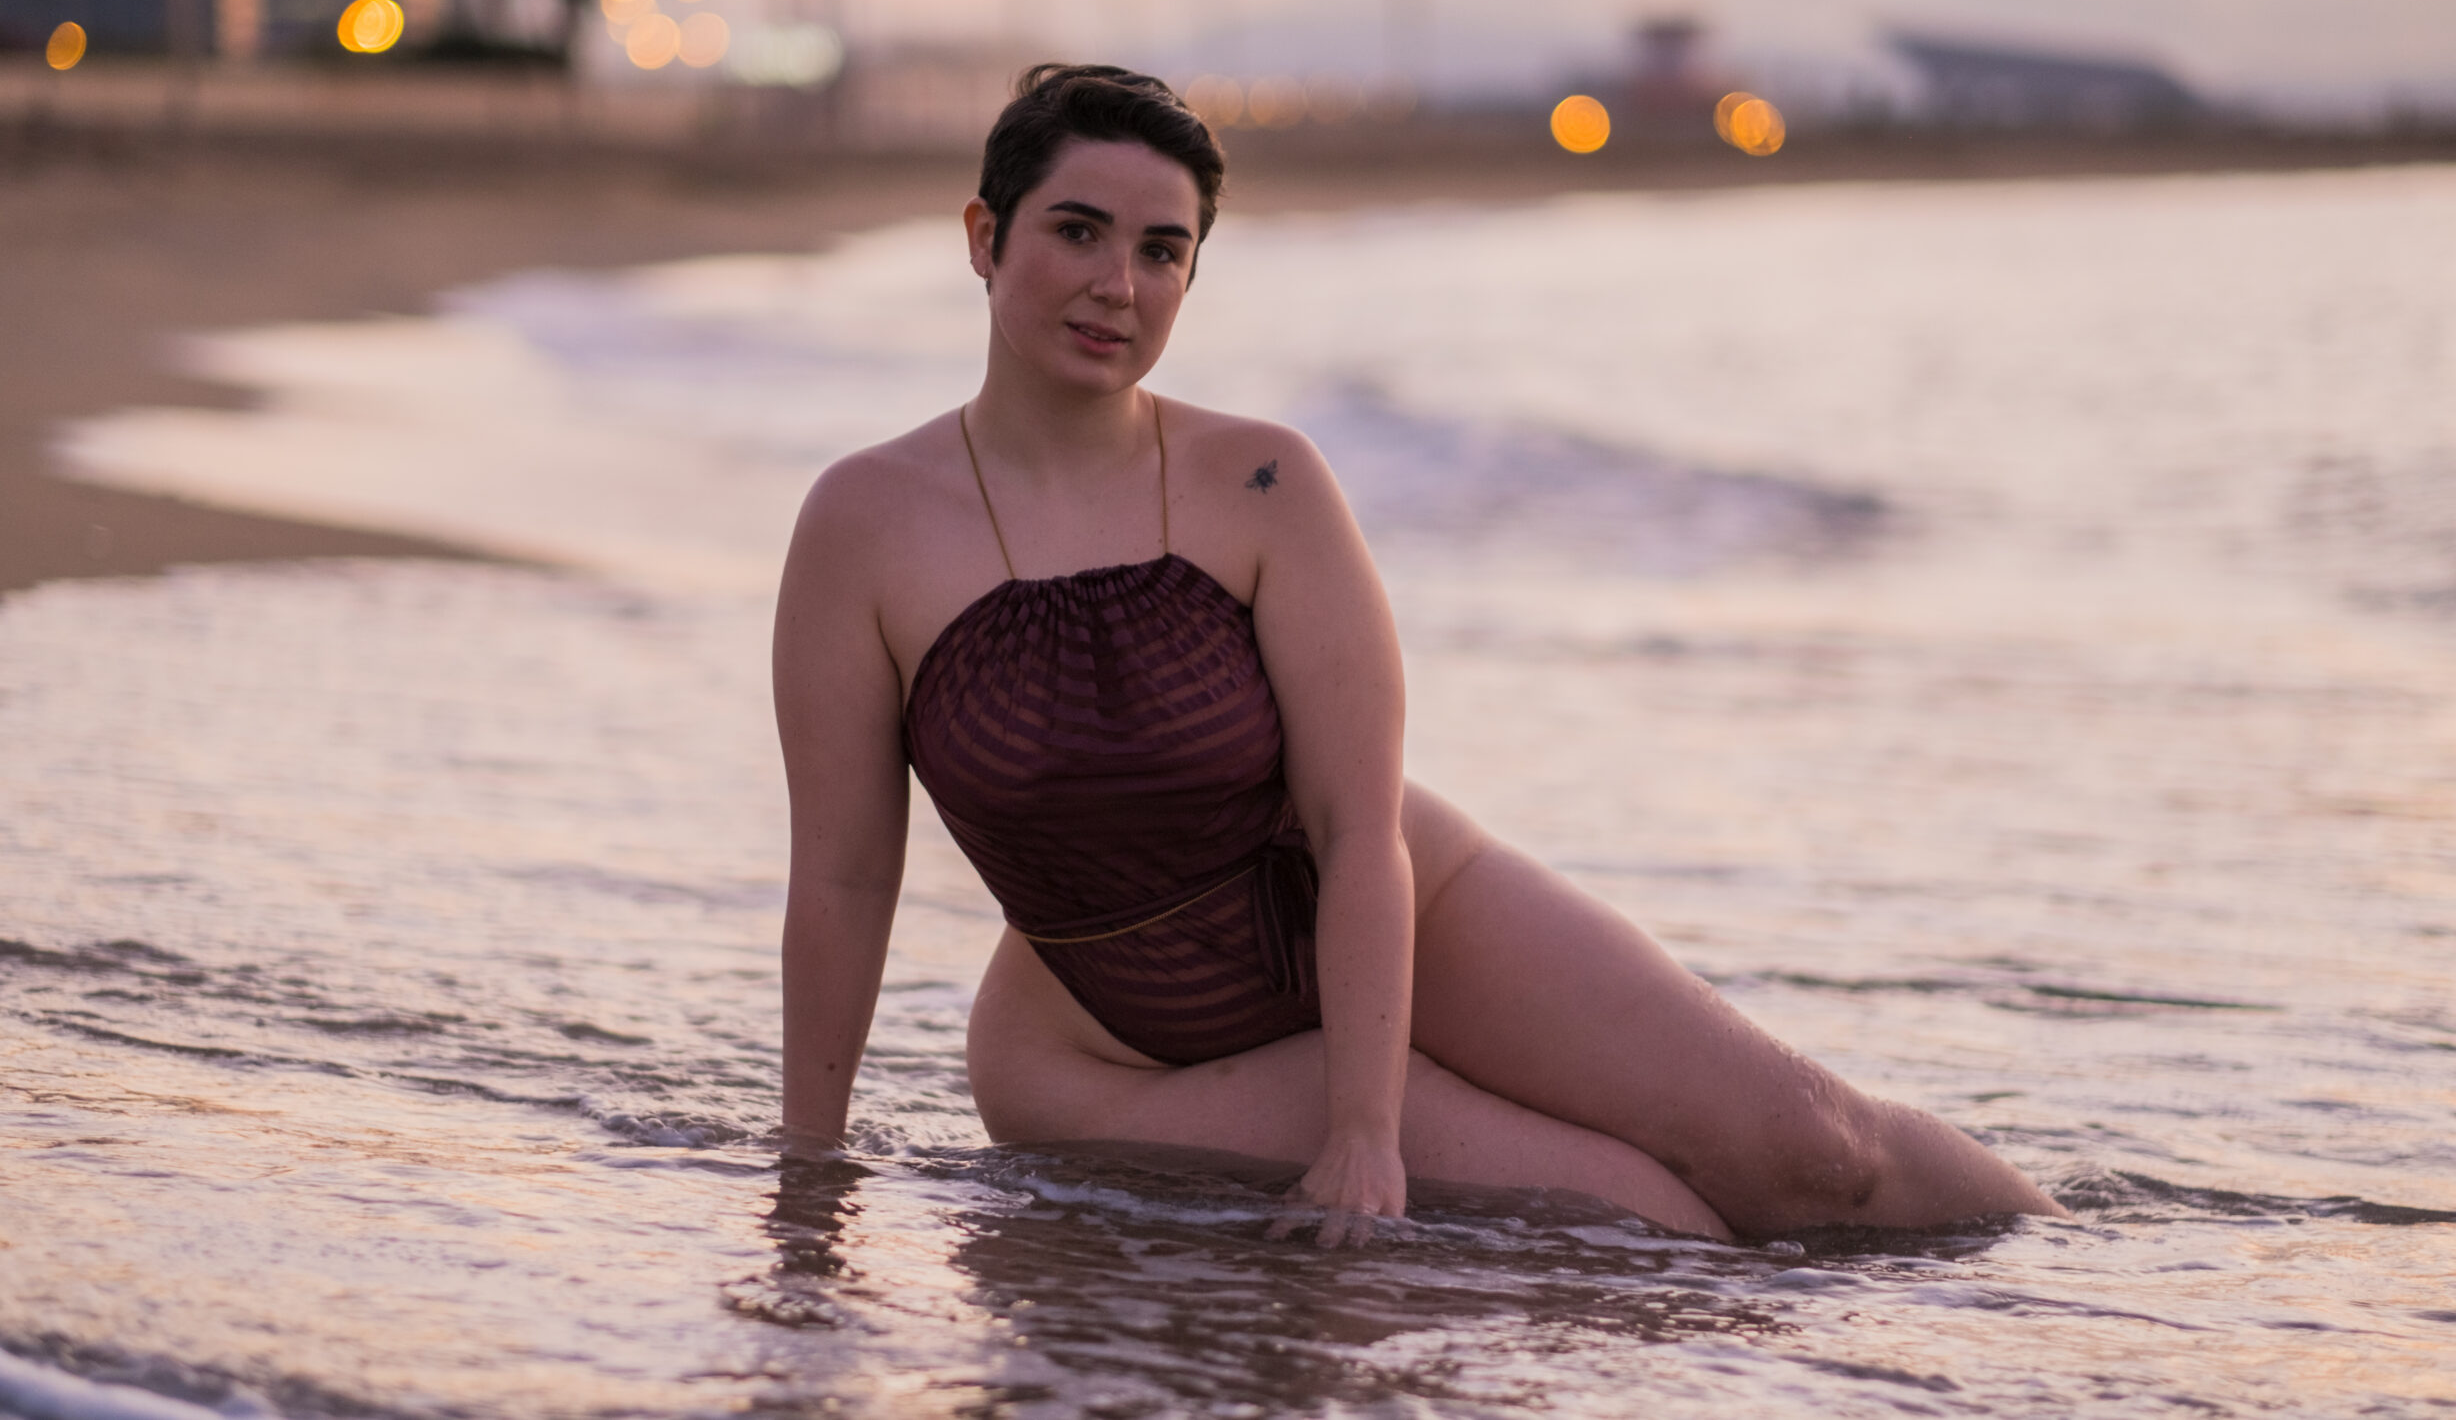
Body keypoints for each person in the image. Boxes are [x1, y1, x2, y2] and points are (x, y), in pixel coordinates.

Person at [773, 64, 2061, 1247]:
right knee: (1646, 1228)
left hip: (1392, 901)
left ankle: (2080, 1270)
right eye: (1077, 231)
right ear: (985, 237)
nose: (1120, 284)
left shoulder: (1264, 480)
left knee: (1814, 1158)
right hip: (1104, 1049)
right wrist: (809, 1184)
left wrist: (1366, 1130)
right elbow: (843, 878)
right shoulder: (864, 524)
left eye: (1163, 251)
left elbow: (1356, 829)